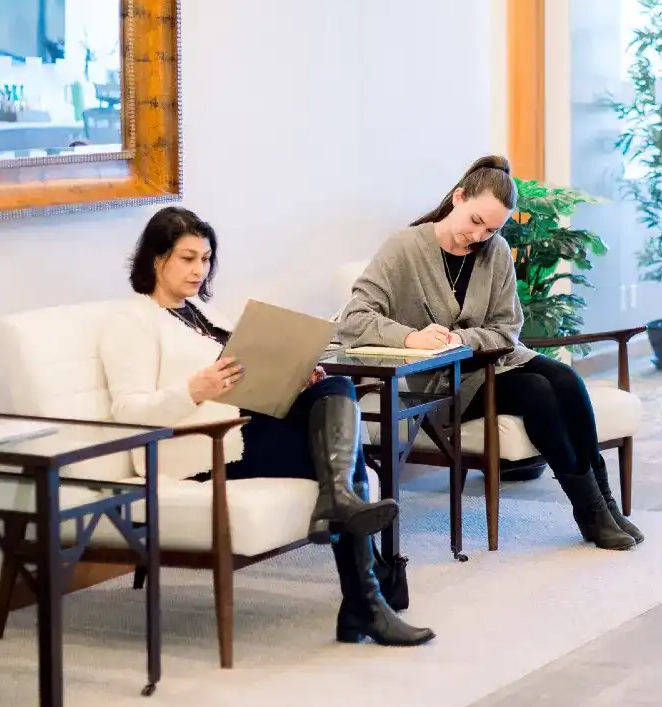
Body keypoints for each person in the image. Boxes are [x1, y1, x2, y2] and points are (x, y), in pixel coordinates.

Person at [99, 206, 435, 646]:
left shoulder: (202, 311)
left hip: (243, 426)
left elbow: (244, 373)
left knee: (332, 386)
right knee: (341, 456)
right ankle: (363, 600)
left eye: (205, 259)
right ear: (154, 258)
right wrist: (194, 390)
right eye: (187, 258)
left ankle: (348, 538)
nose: (199, 269)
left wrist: (293, 372)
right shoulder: (132, 322)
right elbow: (128, 413)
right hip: (199, 448)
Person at [338, 155, 643, 552]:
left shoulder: (495, 251)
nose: (480, 236)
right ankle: (589, 511)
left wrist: (465, 340)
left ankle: (604, 506)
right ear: (459, 198)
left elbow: (505, 328)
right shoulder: (405, 248)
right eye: (476, 222)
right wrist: (411, 337)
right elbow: (353, 318)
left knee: (565, 380)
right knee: (537, 392)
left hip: (493, 363)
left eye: (492, 229)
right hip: (440, 383)